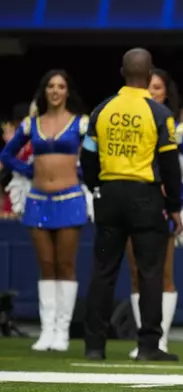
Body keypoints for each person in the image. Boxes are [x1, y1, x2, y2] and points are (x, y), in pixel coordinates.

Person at [80, 48, 182, 361]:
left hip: (109, 195)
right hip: (145, 198)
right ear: (149, 75)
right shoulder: (159, 114)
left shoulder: (101, 110)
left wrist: (97, 186)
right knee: (150, 272)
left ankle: (95, 347)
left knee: (103, 271)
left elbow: (87, 157)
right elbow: (170, 165)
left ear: (123, 72)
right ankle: (149, 346)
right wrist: (174, 206)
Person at [0, 70, 90, 352]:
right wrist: (30, 171)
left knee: (65, 264)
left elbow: (94, 155)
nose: (55, 91)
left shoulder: (81, 123)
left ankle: (62, 331)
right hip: (38, 198)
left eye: (60, 86)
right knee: (46, 265)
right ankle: (47, 329)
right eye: (50, 86)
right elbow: (6, 154)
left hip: (70, 198)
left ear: (67, 91)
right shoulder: (31, 124)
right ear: (45, 90)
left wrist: (79, 172)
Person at [125, 68, 183, 359]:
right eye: (147, 86)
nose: (151, 92)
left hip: (161, 211)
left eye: (157, 87)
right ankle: (143, 340)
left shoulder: (174, 127)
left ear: (165, 92)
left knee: (164, 275)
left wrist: (176, 198)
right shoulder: (130, 124)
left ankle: (160, 341)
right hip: (132, 206)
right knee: (135, 274)